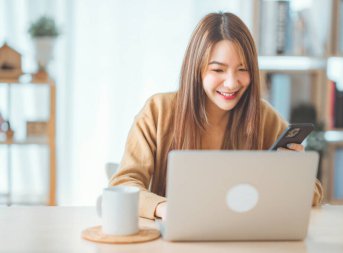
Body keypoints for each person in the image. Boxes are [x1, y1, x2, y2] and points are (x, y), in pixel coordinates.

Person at [110, 12, 323, 220]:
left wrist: (293, 173)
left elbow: (314, 194)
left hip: (242, 238)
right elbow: (123, 184)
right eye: (218, 70)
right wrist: (164, 208)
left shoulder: (265, 117)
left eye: (242, 69)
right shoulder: (158, 111)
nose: (231, 82)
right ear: (197, 69)